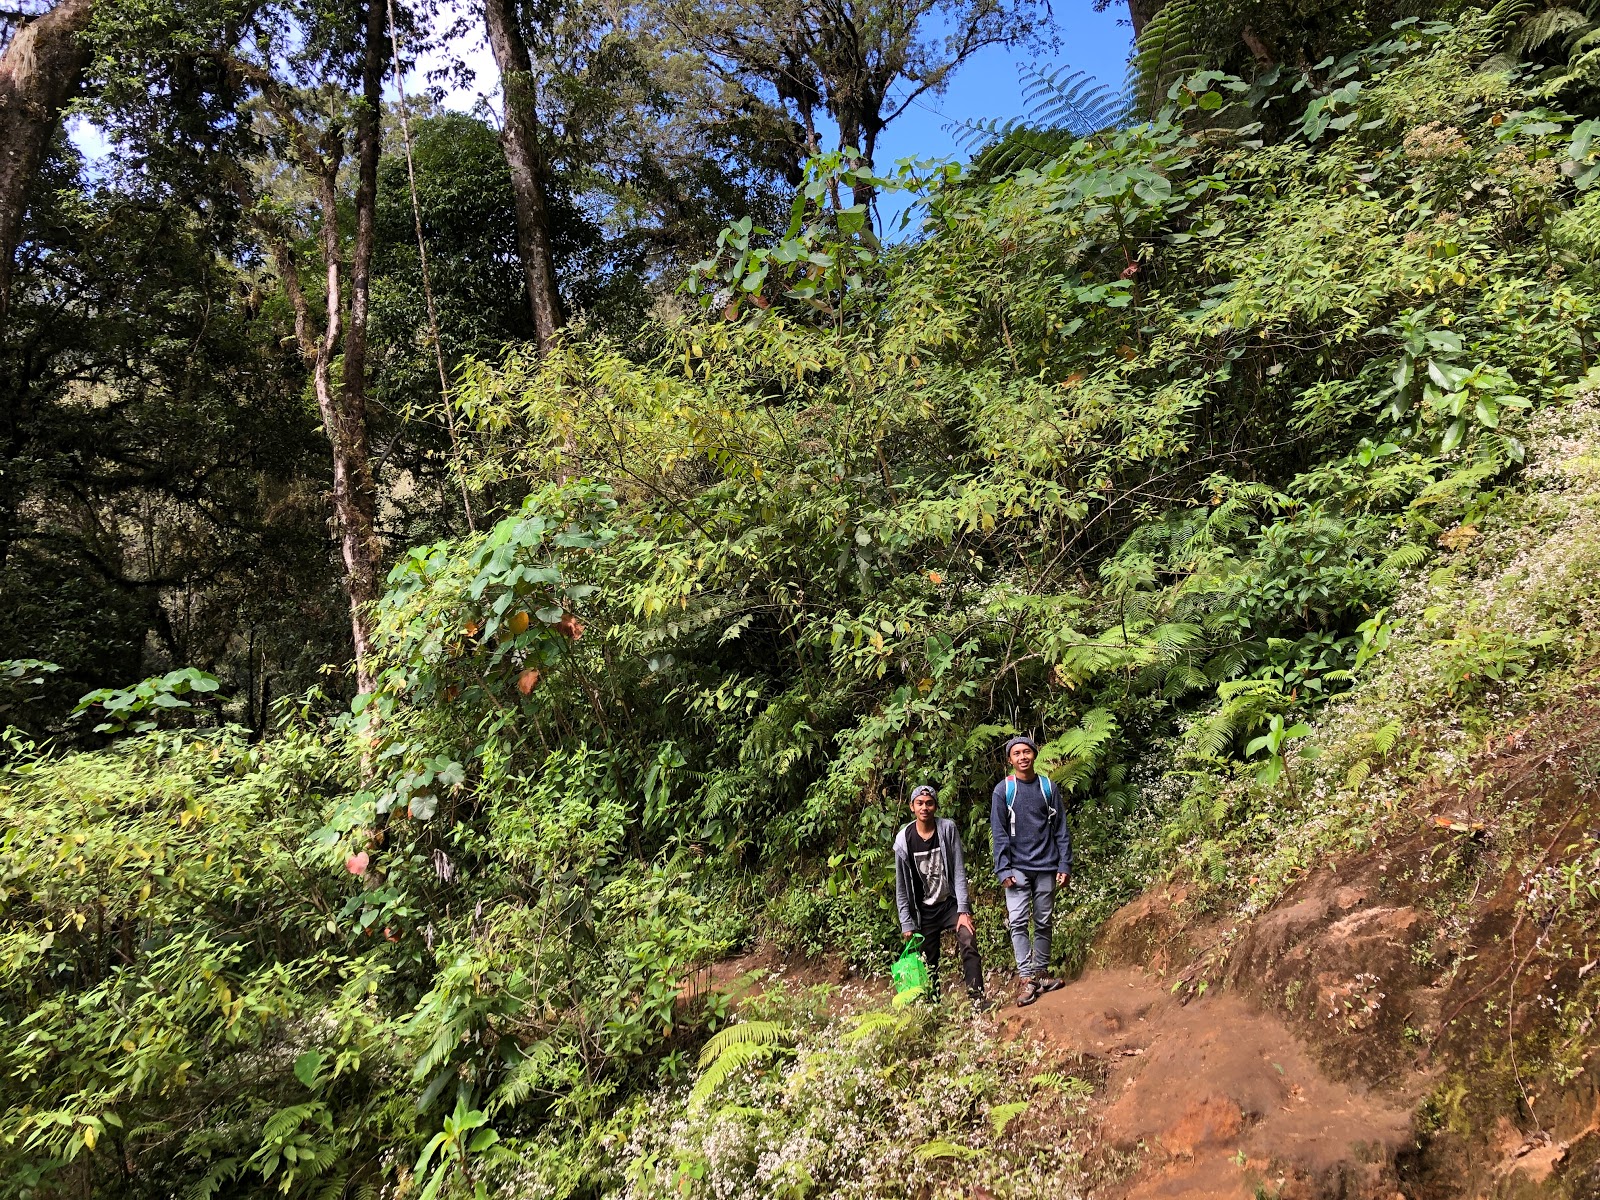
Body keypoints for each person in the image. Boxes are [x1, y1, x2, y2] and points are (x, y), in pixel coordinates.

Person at [990, 736, 1071, 1007]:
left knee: (1044, 921)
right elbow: (999, 833)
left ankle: (1041, 973)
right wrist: (1003, 869)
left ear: (1034, 755)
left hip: (1047, 865)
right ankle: (1026, 978)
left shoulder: (1048, 786)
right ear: (1010, 759)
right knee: (1018, 922)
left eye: (1027, 751)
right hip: (1017, 867)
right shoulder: (1004, 791)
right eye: (1017, 753)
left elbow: (1060, 828)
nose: (1023, 756)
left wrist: (1064, 863)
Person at [892, 784, 986, 1004]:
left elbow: (959, 871)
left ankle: (977, 999)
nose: (925, 807)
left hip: (949, 903)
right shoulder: (903, 840)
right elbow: (902, 886)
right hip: (923, 910)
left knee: (968, 939)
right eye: (920, 803)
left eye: (929, 803)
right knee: (928, 960)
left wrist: (963, 910)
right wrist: (906, 922)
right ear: (912, 807)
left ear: (935, 806)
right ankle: (932, 1008)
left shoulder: (947, 829)